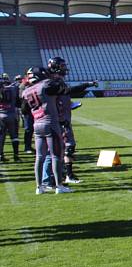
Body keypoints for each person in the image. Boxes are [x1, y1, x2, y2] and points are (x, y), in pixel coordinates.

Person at [41, 57, 97, 185]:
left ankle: (58, 176)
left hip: (59, 119)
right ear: (55, 67)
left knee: (57, 150)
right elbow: (61, 96)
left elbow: (63, 96)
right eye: (62, 65)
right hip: (59, 121)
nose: (65, 68)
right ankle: (63, 177)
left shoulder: (54, 82)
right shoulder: (53, 83)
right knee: (64, 148)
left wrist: (69, 104)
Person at [20, 67, 72, 194]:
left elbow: (24, 110)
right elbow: (63, 90)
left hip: (37, 125)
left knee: (39, 157)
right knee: (56, 156)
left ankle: (39, 187)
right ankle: (59, 186)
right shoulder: (46, 85)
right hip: (50, 123)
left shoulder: (27, 91)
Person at [0, 73, 21, 162]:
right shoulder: (13, 89)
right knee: (14, 136)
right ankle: (16, 156)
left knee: (1, 137)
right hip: (12, 114)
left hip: (0, 115)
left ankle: (1, 155)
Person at [18, 74, 34, 154]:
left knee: (31, 129)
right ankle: (27, 147)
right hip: (27, 110)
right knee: (28, 129)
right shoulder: (23, 85)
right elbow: (22, 97)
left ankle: (29, 146)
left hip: (32, 109)